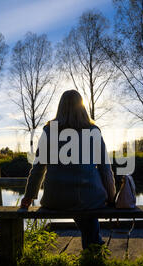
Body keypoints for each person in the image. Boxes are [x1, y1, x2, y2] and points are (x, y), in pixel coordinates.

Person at [20, 90, 116, 249]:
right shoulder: (93, 131)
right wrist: (112, 198)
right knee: (86, 208)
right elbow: (105, 169)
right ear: (82, 107)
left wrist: (29, 196)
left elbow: (38, 168)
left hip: (55, 199)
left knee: (83, 210)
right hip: (89, 199)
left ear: (60, 107)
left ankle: (94, 247)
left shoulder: (49, 131)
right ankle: (94, 251)